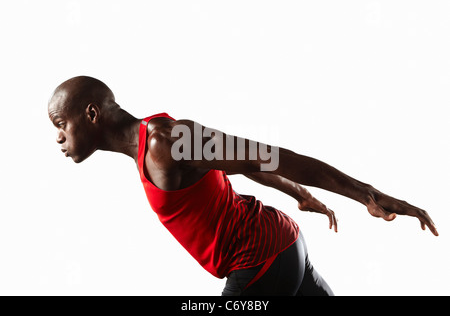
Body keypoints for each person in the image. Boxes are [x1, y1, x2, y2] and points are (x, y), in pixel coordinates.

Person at [48, 76, 438, 296]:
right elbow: (240, 164)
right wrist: (299, 194)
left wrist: (366, 194)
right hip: (283, 249)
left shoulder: (165, 141)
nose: (59, 139)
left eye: (60, 125)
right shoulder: (150, 148)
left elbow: (261, 156)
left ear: (92, 114)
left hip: (261, 262)